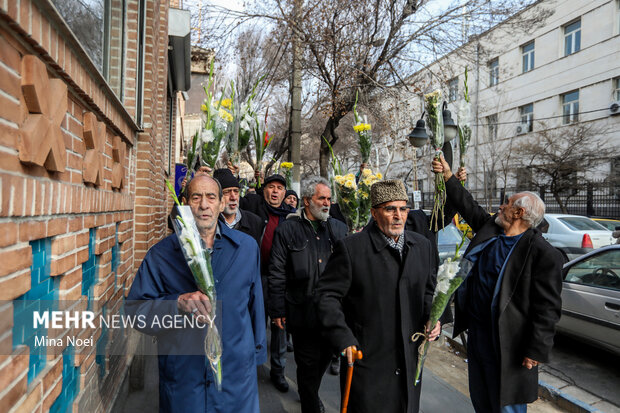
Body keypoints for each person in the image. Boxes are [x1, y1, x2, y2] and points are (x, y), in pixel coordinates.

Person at [432, 155, 563, 413]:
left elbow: (547, 308)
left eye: (508, 204)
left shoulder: (543, 253)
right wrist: (448, 175)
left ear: (520, 212)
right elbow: (467, 205)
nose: (501, 207)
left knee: (506, 404)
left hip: (509, 343)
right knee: (481, 396)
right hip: (479, 334)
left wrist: (536, 349)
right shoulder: (491, 229)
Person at [127, 175, 266, 413]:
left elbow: (256, 307)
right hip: (184, 382)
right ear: (184, 203)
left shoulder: (247, 248)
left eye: (211, 197)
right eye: (196, 197)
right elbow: (135, 312)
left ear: (222, 204)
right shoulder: (161, 255)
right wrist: (176, 304)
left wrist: (253, 358)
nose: (204, 205)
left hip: (235, 383)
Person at [316, 179, 440, 413]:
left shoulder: (422, 246)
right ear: (374, 212)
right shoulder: (351, 249)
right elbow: (326, 296)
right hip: (368, 361)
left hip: (409, 361)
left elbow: (429, 290)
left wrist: (434, 318)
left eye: (403, 209)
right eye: (390, 209)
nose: (398, 216)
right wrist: (344, 338)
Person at [269, 176, 348, 413]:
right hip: (302, 311)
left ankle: (310, 394)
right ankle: (311, 404)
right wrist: (277, 309)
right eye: (321, 198)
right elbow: (277, 270)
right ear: (306, 201)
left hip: (332, 313)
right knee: (306, 365)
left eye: (329, 199)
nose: (327, 203)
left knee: (322, 361)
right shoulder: (288, 229)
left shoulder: (339, 229)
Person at [240, 174, 294, 392]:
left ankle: (278, 371)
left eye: (280, 188)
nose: (275, 192)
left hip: (281, 280)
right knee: (255, 323)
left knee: (280, 327)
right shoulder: (253, 208)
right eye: (271, 187)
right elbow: (230, 197)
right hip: (256, 276)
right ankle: (250, 367)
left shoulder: (291, 217)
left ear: (285, 193)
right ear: (264, 190)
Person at [213, 168, 264, 245]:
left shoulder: (255, 222)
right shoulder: (210, 223)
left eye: (236, 191)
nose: (233, 197)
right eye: (227, 192)